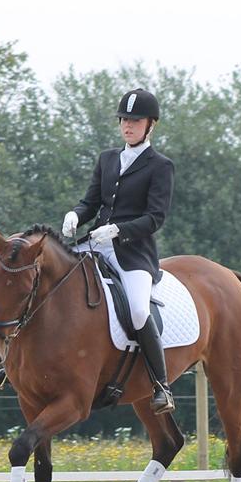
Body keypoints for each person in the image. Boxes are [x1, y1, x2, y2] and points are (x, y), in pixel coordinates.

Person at [63, 88, 175, 414]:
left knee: (139, 310)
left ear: (150, 125)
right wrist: (75, 215)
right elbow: (90, 202)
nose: (128, 126)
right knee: (49, 283)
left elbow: (155, 218)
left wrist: (118, 230)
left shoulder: (160, 166)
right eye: (124, 120)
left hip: (134, 254)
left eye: (135, 120)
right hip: (94, 246)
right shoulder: (107, 159)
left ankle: (161, 386)